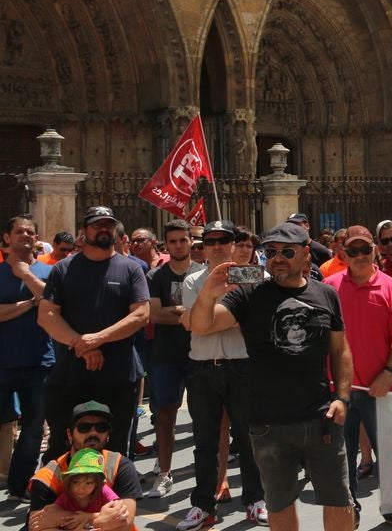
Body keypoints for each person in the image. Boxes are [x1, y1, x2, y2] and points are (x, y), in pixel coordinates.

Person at [190, 222, 355, 531]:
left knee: (337, 499)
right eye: (271, 251)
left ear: (306, 255)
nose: (277, 258)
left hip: (321, 419)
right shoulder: (249, 294)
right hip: (268, 424)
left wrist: (343, 398)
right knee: (279, 504)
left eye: (287, 251)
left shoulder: (326, 294)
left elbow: (340, 350)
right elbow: (202, 325)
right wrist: (209, 294)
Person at [38, 206, 150, 460]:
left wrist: (98, 338)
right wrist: (83, 344)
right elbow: (47, 316)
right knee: (62, 448)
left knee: (115, 450)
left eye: (108, 225)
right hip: (69, 376)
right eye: (97, 225)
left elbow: (141, 315)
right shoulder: (63, 269)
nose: (103, 229)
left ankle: (112, 499)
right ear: (84, 230)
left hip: (119, 377)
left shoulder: (130, 269)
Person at [325, 224, 392, 528]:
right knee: (342, 456)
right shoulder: (330, 286)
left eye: (366, 249)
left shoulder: (391, 287)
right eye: (354, 251)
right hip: (340, 390)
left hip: (380, 387)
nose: (361, 255)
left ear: (374, 250)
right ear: (343, 254)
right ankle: (349, 510)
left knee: (389, 454)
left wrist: (389, 373)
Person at [180, 220, 267, 529]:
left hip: (242, 365)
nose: (217, 245)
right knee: (204, 440)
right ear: (203, 246)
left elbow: (257, 322)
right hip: (203, 366)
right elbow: (192, 324)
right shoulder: (193, 280)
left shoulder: (257, 277)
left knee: (248, 437)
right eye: (210, 240)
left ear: (234, 243)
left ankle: (255, 499)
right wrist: (232, 315)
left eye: (223, 239)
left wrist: (209, 315)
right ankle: (203, 503)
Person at [142, 218, 207, 499]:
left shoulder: (204, 273)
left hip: (198, 353)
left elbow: (207, 312)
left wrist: (176, 312)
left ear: (191, 242)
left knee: (204, 416)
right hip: (165, 355)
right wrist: (188, 312)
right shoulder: (155, 277)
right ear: (165, 245)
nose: (179, 245)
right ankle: (164, 473)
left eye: (183, 240)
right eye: (173, 241)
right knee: (165, 415)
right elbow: (154, 314)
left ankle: (207, 474)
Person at [0, 214, 51, 501]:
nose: (25, 236)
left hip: (38, 362)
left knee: (33, 429)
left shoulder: (48, 272)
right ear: (7, 238)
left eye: (30, 232)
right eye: (19, 231)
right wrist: (30, 303)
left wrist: (26, 276)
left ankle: (18, 485)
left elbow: (53, 301)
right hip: (2, 361)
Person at [27, 400, 140, 531]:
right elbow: (37, 526)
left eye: (101, 427)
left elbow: (125, 521)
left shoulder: (121, 466)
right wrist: (100, 520)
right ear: (70, 434)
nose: (93, 433)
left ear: (108, 434)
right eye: (84, 427)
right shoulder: (47, 477)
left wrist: (88, 519)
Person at [55, 448, 121, 514]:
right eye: (75, 482)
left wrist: (90, 518)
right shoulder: (67, 496)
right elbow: (52, 511)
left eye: (89, 483)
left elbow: (118, 507)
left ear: (97, 482)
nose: (81, 489)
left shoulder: (102, 490)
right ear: (69, 481)